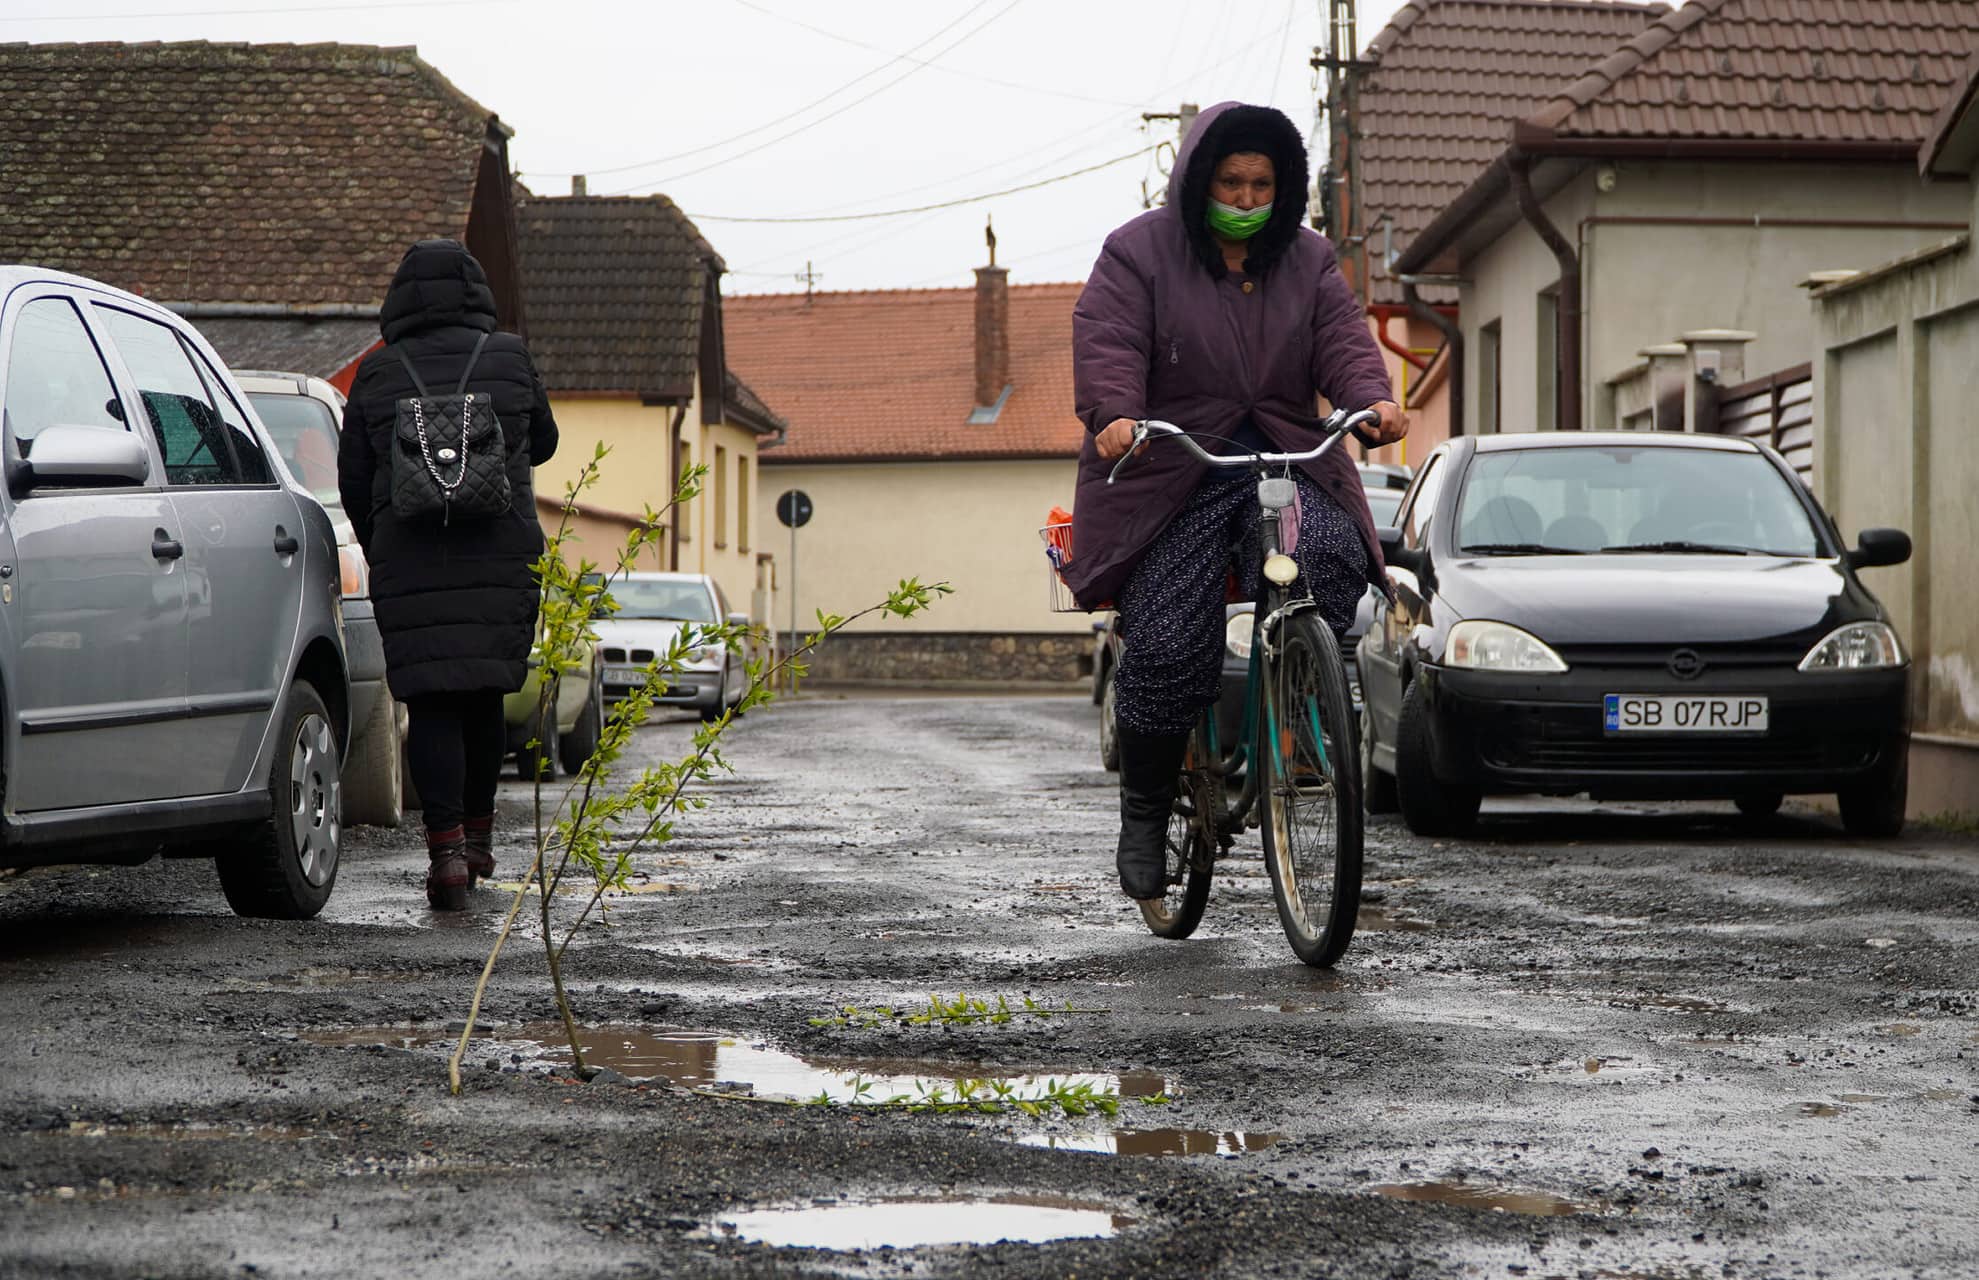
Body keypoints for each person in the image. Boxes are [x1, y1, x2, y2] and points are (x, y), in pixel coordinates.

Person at [1066, 102, 1408, 902]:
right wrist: (1115, 415)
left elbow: (1344, 342)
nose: (1247, 198)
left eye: (1262, 184)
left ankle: (1293, 701)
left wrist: (1372, 400)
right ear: (1198, 178)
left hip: (1284, 456)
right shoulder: (1138, 251)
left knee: (1323, 557)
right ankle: (1145, 812)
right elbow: (1108, 339)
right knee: (1168, 643)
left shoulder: (1308, 257)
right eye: (1231, 181)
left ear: (1281, 189)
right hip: (1173, 466)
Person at [337, 240, 559, 911]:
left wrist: (385, 547)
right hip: (499, 557)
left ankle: (446, 853)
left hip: (410, 562)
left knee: (432, 702)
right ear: (476, 291)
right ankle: (482, 837)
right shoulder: (510, 357)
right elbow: (544, 442)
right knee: (485, 695)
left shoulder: (376, 375)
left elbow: (352, 480)